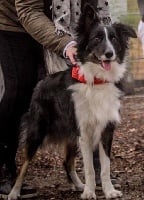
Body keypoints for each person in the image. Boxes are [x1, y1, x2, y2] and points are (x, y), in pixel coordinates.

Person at [0, 0, 118, 198]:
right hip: (16, 22)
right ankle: (4, 169)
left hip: (67, 22)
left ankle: (97, 170)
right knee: (19, 90)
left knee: (81, 94)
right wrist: (66, 45)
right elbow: (28, 10)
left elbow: (93, 6)